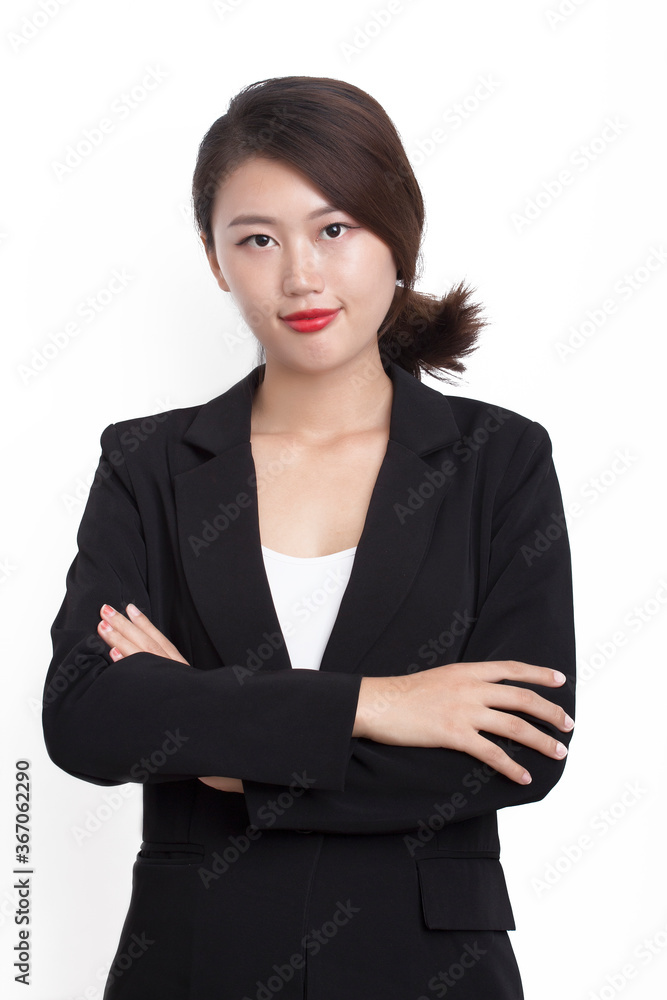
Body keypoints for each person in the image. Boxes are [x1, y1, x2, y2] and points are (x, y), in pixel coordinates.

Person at [42, 76, 576, 999]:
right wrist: (379, 705)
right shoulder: (147, 464)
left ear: (396, 235)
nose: (300, 275)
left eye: (334, 229)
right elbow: (87, 717)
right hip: (197, 962)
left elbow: (521, 747)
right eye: (257, 239)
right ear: (215, 260)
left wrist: (221, 751)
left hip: (429, 968)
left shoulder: (498, 459)